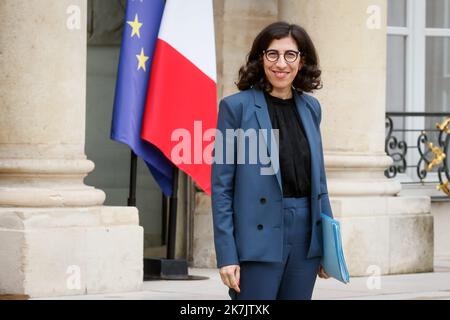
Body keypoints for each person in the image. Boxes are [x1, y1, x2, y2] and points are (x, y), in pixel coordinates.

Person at [211, 21, 334, 300]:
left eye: (290, 55)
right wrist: (226, 254)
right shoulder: (235, 108)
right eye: (272, 54)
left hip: (305, 236)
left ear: (302, 61)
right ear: (260, 58)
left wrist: (327, 245)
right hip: (257, 236)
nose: (281, 63)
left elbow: (320, 183)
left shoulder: (311, 108)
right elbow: (221, 188)